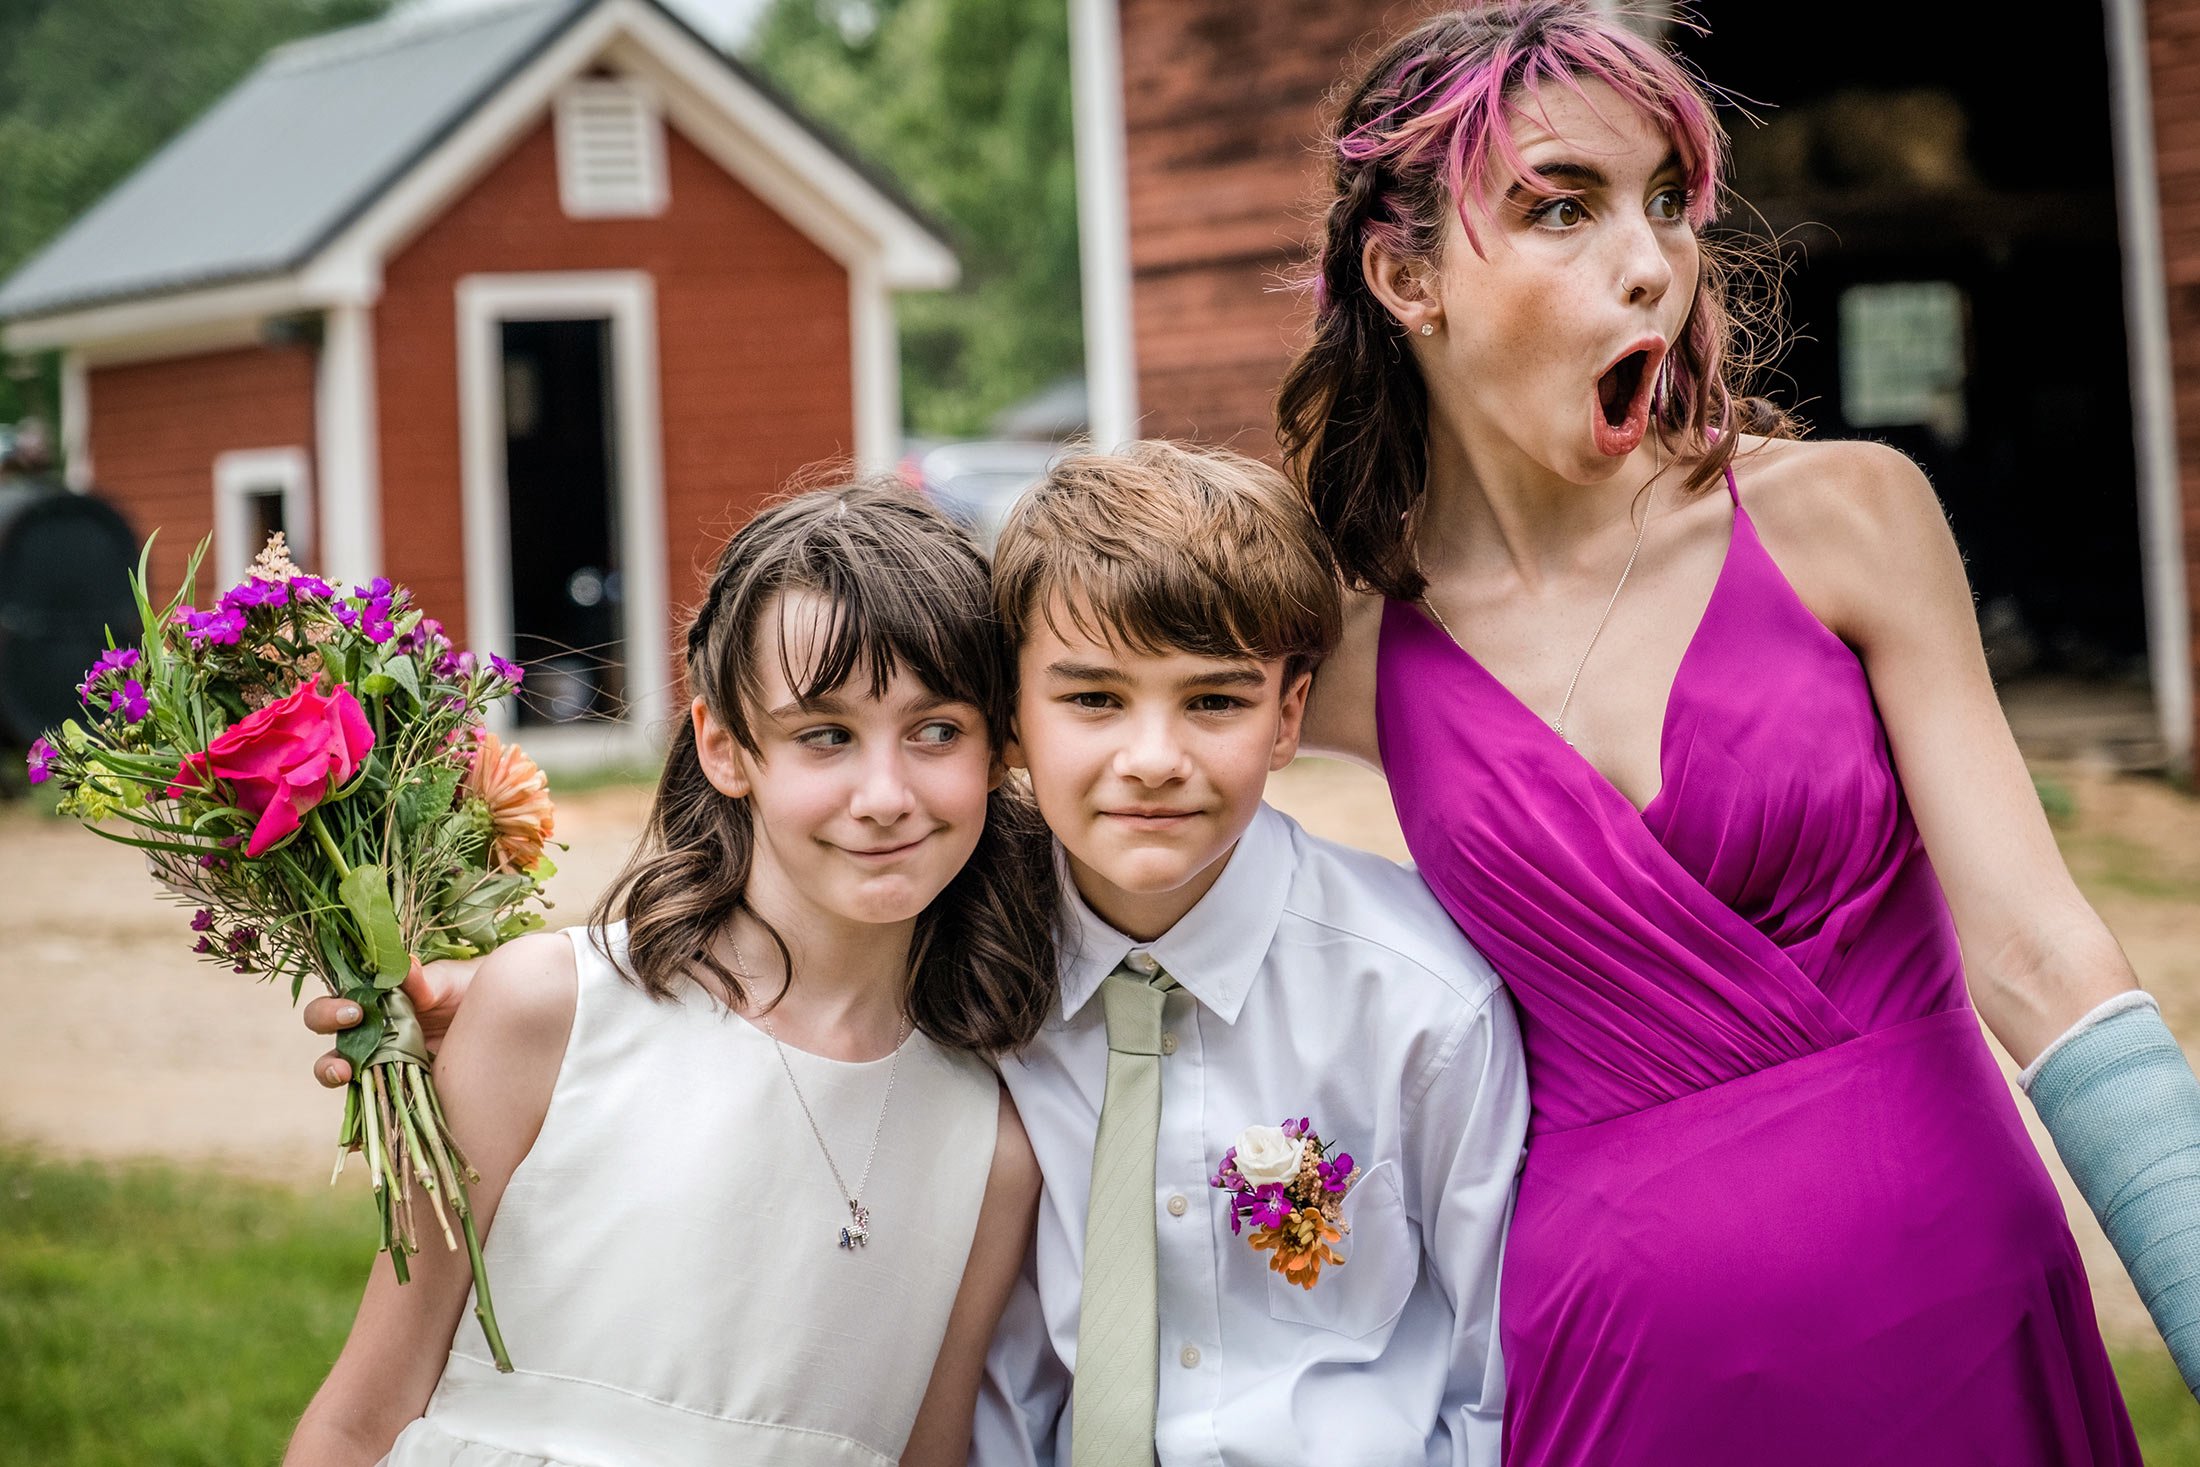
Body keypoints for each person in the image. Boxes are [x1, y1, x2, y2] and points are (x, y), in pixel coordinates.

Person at [1282, 3, 2200, 1462]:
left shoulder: (1847, 518)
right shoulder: (1338, 650)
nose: (1647, 262)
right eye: (1560, 208)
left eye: (1663, 203)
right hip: (1617, 1378)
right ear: (1408, 275)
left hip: (1966, 1312)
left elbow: (2042, 956)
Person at [286, 483, 1054, 1466]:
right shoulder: (546, 1013)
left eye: (936, 730)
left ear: (997, 750)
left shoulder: (989, 1150)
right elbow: (362, 1413)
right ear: (726, 748)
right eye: (826, 734)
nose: (883, 795)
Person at [970, 442, 1529, 1465]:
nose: (1151, 760)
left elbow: (1489, 1373)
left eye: (1214, 701)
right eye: (1093, 700)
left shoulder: (1421, 1004)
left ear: (1287, 716)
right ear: (1012, 716)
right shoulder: (968, 979)